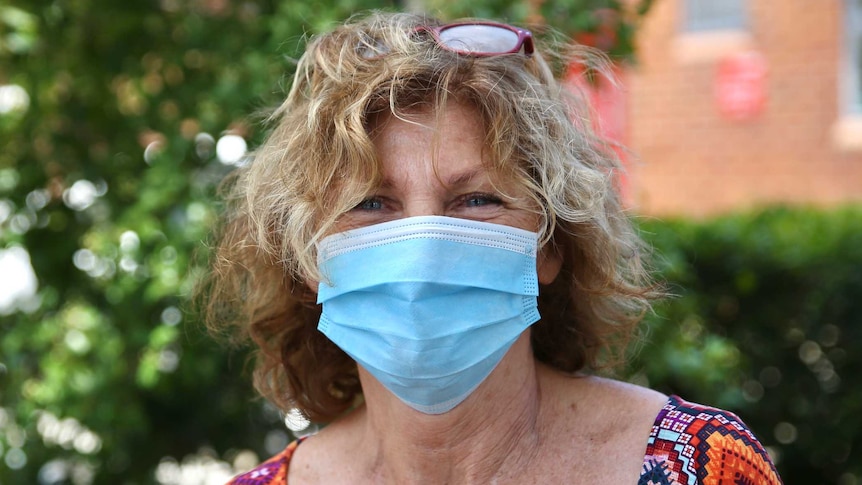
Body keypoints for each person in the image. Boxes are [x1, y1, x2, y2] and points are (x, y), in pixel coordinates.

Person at [203, 11, 783, 484]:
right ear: (308, 259)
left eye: (476, 200)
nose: (423, 247)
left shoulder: (705, 467)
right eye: (372, 204)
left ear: (551, 244)